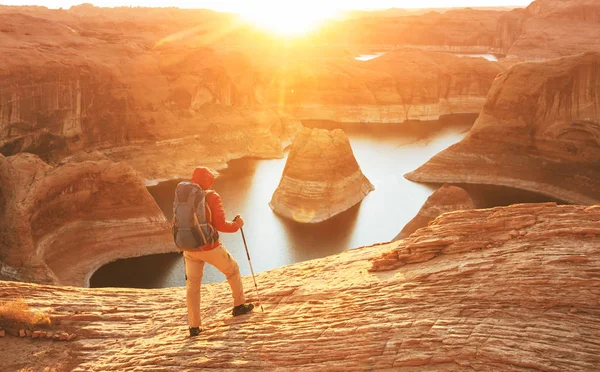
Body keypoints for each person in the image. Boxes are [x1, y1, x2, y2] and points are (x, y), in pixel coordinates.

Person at [179, 166, 254, 337]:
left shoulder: (183, 195)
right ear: (208, 181)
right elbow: (221, 225)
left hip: (188, 248)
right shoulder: (211, 196)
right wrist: (237, 225)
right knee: (232, 270)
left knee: (193, 287)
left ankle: (194, 326)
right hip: (209, 247)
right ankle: (239, 305)